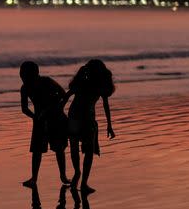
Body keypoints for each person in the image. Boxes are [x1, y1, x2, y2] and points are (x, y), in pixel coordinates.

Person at [64, 59, 116, 193]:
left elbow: (67, 96)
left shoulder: (89, 83)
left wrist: (109, 125)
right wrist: (109, 125)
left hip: (78, 116)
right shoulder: (94, 83)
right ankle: (83, 181)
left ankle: (79, 175)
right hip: (83, 117)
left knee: (77, 147)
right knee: (87, 150)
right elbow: (68, 95)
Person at [19, 60, 70, 187]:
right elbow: (24, 108)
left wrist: (58, 108)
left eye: (25, 76)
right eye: (22, 76)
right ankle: (34, 178)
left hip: (56, 118)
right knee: (37, 151)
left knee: (59, 148)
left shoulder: (46, 81)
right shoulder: (24, 88)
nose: (23, 79)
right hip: (39, 120)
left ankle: (63, 176)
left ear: (35, 74)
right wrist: (34, 117)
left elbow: (64, 95)